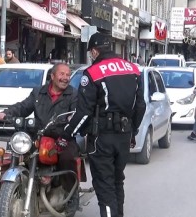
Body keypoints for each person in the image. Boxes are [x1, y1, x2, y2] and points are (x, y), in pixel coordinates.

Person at [62, 32, 146, 217]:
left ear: (94, 51)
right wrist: (133, 131)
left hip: (102, 138)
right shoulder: (133, 69)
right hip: (124, 135)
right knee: (117, 181)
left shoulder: (92, 72)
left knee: (105, 185)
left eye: (91, 53)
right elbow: (140, 106)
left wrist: (66, 134)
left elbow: (84, 112)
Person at [0, 63, 79, 215]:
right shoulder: (38, 92)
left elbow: (76, 115)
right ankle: (11, 191)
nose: (65, 78)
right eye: (62, 74)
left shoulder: (73, 94)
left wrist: (68, 124)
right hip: (38, 135)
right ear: (52, 76)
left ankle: (71, 195)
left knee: (67, 158)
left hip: (62, 137)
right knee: (17, 149)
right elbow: (23, 107)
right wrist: (6, 113)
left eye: (67, 75)